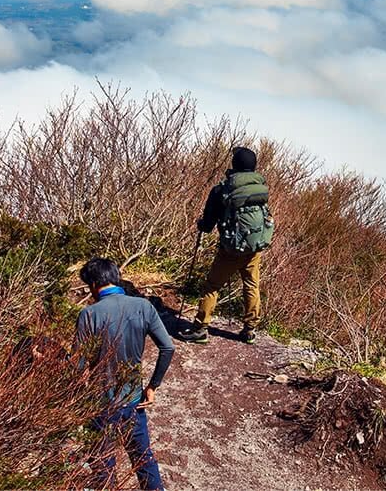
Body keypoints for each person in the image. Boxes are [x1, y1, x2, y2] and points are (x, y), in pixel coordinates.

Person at [75, 257, 175, 490]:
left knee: (103, 465)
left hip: (101, 403)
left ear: (93, 284)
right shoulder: (143, 306)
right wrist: (152, 386)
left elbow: (77, 367)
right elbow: (168, 348)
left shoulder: (89, 314)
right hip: (133, 401)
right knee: (144, 460)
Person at [177, 146, 273, 345]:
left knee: (212, 285)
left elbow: (208, 224)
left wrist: (201, 225)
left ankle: (200, 329)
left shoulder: (222, 189)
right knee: (251, 285)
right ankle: (249, 330)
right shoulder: (260, 187)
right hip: (254, 247)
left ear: (234, 165)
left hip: (230, 250)